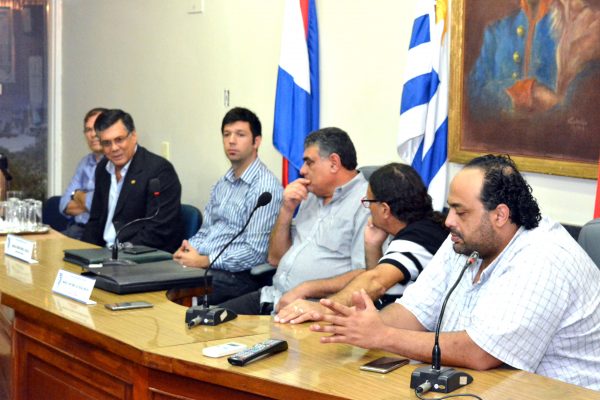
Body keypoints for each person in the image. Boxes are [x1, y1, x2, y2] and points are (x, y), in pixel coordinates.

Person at [310, 154, 600, 390]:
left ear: (500, 215)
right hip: (486, 386)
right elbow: (414, 311)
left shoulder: (543, 256)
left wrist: (382, 335)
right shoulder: (465, 241)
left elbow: (481, 352)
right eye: (450, 209)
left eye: (460, 212)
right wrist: (357, 325)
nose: (448, 221)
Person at [219, 127, 370, 315]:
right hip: (271, 297)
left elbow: (364, 274)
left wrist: (307, 288)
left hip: (310, 309)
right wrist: (286, 210)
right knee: (204, 322)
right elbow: (275, 258)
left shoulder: (366, 202)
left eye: (309, 162)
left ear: (334, 163)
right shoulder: (309, 195)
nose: (302, 170)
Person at [274, 163, 448, 324]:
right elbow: (381, 289)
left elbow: (376, 282)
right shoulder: (417, 229)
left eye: (368, 202)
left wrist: (322, 308)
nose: (368, 208)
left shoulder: (420, 237)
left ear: (385, 209)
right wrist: (372, 245)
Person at [172, 107, 283, 304]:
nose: (231, 140)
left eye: (240, 135)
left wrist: (205, 261)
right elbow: (206, 231)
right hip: (206, 264)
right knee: (156, 279)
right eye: (226, 134)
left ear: (256, 141)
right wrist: (188, 251)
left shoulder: (265, 188)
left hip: (238, 276)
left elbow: (255, 252)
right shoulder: (222, 183)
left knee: (172, 291)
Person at [82, 109, 183, 253]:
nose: (114, 148)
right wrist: (83, 253)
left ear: (134, 136)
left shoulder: (159, 171)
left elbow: (157, 232)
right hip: (104, 253)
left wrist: (115, 255)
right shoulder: (103, 169)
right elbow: (95, 222)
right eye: (107, 143)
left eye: (119, 139)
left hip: (141, 256)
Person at [59, 107, 106, 239]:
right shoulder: (84, 162)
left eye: (97, 128)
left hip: (99, 234)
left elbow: (102, 206)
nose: (93, 134)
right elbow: (63, 205)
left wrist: (76, 195)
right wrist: (88, 203)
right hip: (76, 228)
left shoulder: (115, 163)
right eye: (88, 130)